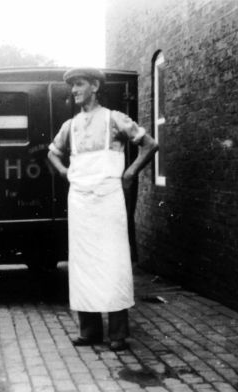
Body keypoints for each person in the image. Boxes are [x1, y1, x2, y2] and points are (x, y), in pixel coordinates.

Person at [47, 68, 158, 351]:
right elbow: (52, 153)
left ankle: (118, 334)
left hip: (108, 198)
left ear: (95, 86)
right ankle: (90, 331)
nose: (74, 90)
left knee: (113, 261)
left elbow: (150, 144)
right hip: (80, 200)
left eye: (79, 84)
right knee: (83, 263)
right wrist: (64, 172)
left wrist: (131, 172)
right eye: (71, 86)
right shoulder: (70, 125)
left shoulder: (114, 118)